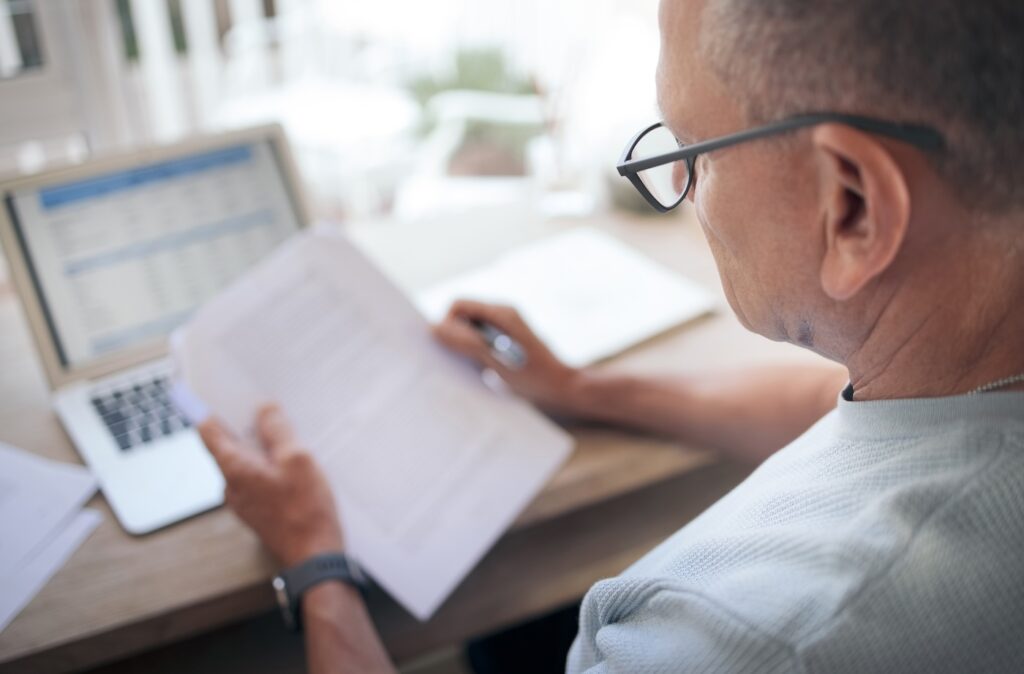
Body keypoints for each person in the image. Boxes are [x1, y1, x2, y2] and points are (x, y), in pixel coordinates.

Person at [198, 0, 1024, 671]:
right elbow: (832, 406)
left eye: (695, 149)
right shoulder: (964, 358)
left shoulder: (729, 643)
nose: (677, 181)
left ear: (852, 206)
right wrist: (587, 392)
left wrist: (317, 570)